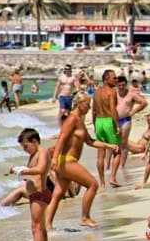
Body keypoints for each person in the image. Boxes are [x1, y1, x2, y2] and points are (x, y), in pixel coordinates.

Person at [46, 93, 118, 229]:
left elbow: (90, 141)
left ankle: (47, 225)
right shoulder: (72, 119)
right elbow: (61, 138)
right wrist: (54, 158)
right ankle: (85, 217)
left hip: (65, 162)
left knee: (58, 194)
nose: (90, 108)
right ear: (79, 103)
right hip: (67, 161)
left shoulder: (79, 120)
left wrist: (109, 145)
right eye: (87, 104)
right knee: (93, 185)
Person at [7, 128, 51, 241]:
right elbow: (33, 172)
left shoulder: (42, 152)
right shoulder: (33, 155)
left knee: (37, 227)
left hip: (40, 193)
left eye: (26, 146)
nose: (24, 149)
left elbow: (41, 169)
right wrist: (19, 171)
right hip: (34, 194)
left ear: (35, 141)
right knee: (37, 227)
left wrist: (23, 170)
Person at [113, 75, 148, 186]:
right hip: (115, 120)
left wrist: (134, 111)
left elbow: (144, 103)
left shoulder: (131, 94)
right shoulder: (114, 93)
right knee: (114, 143)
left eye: (123, 85)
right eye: (119, 85)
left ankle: (122, 165)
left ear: (126, 84)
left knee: (123, 144)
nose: (121, 87)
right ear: (117, 85)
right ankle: (112, 166)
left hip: (126, 120)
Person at [93, 69, 121, 189]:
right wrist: (117, 125)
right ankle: (113, 178)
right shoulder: (112, 91)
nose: (116, 80)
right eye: (114, 78)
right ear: (106, 79)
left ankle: (102, 183)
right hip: (109, 121)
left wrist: (95, 125)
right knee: (117, 151)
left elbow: (93, 109)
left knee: (100, 154)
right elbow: (113, 109)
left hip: (99, 121)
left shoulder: (97, 91)